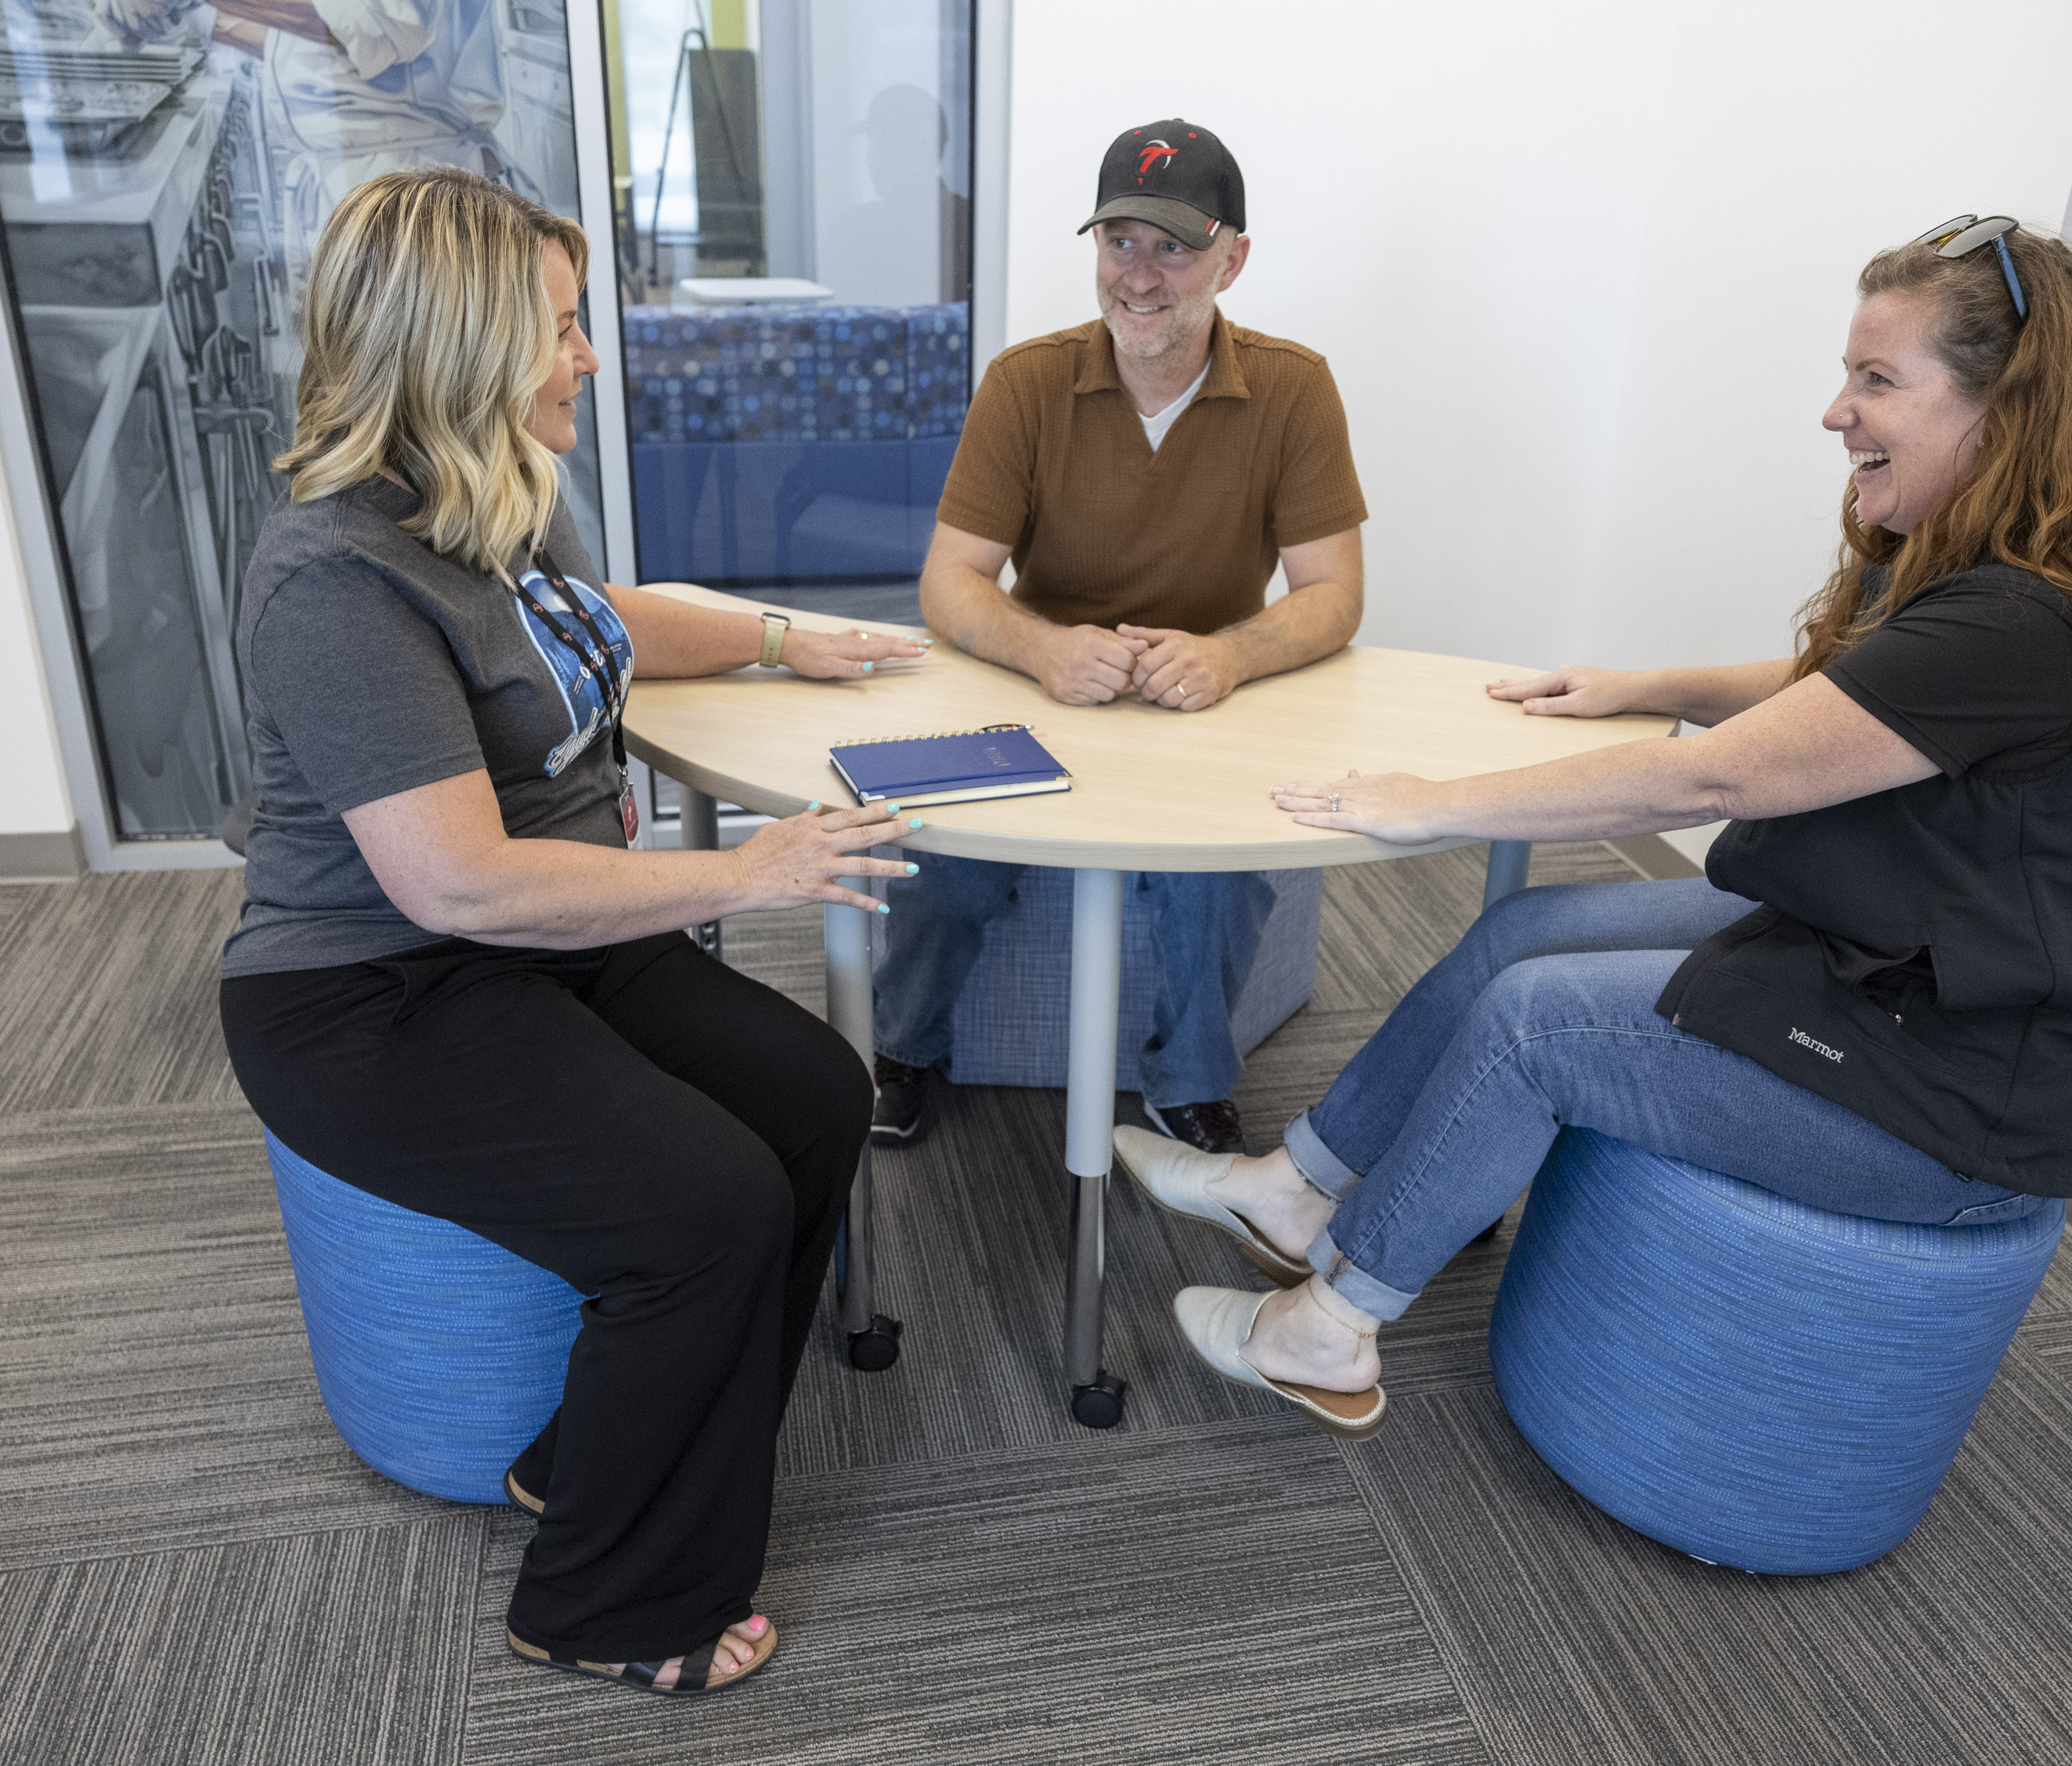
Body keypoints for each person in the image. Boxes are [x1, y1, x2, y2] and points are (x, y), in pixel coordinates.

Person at [1117, 215, 2072, 1438]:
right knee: (1527, 932)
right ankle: (1297, 1190)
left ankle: (1330, 1330)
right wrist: (1646, 685)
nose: (1835, 412)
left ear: (2001, 413)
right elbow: (1842, 692)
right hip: (1910, 966)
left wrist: (1430, 805)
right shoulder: (1973, 564)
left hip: (1970, 1092)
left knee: (1539, 1026)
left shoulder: (2020, 623)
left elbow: (1715, 787)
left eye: (1876, 381)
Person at [218, 168, 928, 1694]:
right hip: (372, 991)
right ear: (464, 345)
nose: (585, 360)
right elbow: (456, 884)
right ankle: (606, 1607)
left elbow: (593, 619)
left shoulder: (481, 496)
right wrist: (750, 877)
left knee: (814, 1098)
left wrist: (789, 640)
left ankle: (588, 1454)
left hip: (531, 941)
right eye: (558, 330)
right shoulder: (334, 577)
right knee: (707, 1210)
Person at [872, 117, 1369, 1154]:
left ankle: (1187, 1082)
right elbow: (950, 581)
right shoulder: (1026, 380)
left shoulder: (1294, 386)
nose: (1141, 276)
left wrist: (1231, 653)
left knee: (1218, 881)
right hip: (1044, 687)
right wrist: (1044, 649)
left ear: (1233, 257)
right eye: (1119, 242)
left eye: (1174, 247)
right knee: (941, 859)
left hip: (1204, 703)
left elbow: (1332, 595)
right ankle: (900, 1046)